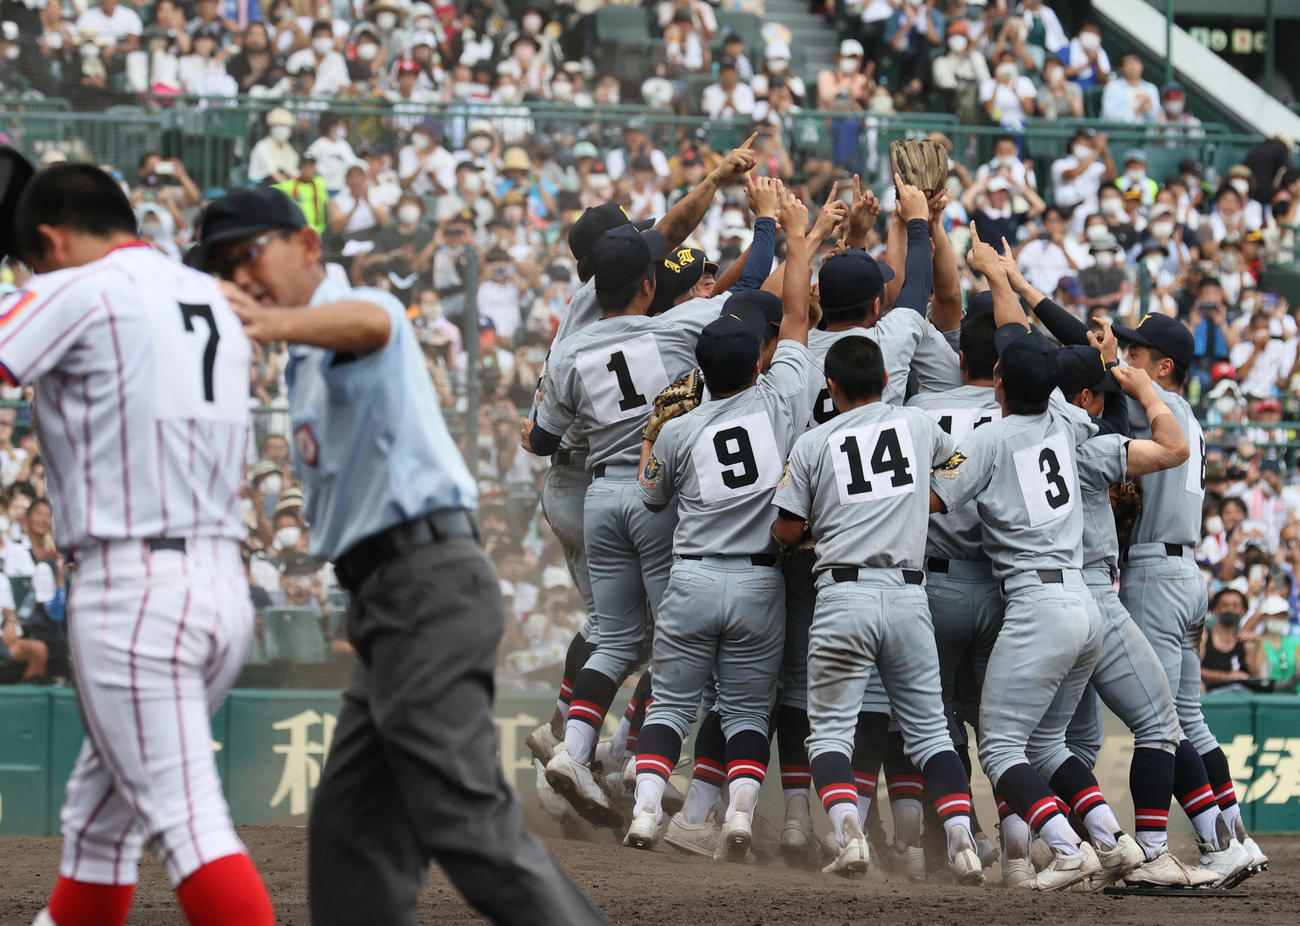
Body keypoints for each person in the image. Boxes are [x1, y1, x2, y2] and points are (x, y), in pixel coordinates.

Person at [198, 185, 610, 926]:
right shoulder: (302, 358)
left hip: (426, 584)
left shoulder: (356, 307)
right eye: (224, 268)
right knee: (350, 834)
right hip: (391, 600)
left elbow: (373, 323)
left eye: (248, 253)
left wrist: (273, 321)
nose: (239, 278)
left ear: (307, 245)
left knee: (466, 823)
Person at [3, 161, 274, 925]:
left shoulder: (78, 288)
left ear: (54, 239)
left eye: (34, 258)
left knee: (189, 827)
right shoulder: (208, 293)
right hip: (220, 586)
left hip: (134, 591)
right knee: (99, 830)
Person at [628, 188, 813, 857]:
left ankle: (646, 813)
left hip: (693, 577)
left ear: (701, 370)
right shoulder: (782, 398)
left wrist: (651, 443)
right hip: (760, 580)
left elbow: (651, 498)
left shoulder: (679, 429)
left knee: (672, 707)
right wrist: (798, 235)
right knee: (746, 711)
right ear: (758, 359)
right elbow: (797, 316)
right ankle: (736, 817)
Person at [772, 331, 984, 884]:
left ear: (831, 385)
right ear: (887, 380)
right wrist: (922, 499)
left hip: (843, 594)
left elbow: (787, 529)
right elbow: (959, 465)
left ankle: (850, 837)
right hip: (909, 593)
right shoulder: (916, 423)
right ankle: (962, 841)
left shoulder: (814, 443)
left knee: (829, 736)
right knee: (931, 733)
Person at [1201, 586, 1259, 690]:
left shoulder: (1246, 641)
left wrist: (1258, 644)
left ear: (1244, 611)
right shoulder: (1203, 637)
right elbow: (1193, 670)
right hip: (1209, 692)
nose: (1230, 609)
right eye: (1225, 605)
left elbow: (1256, 674)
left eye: (1235, 606)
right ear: (1215, 610)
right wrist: (1226, 677)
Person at [1100, 52, 1160, 124]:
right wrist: (1136, 112)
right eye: (1127, 63)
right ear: (1121, 68)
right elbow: (1108, 114)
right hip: (1119, 130)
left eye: (1135, 61)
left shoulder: (1151, 88)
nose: (1132, 65)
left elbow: (1157, 116)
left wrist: (1149, 109)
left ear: (1142, 66)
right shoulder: (1112, 86)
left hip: (1145, 130)